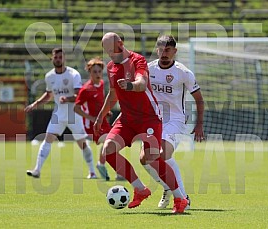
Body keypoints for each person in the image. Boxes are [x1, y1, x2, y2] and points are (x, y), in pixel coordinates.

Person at [94, 32, 188, 214]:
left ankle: (179, 198)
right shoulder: (111, 67)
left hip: (149, 118)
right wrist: (100, 116)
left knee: (153, 158)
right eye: (106, 51)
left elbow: (142, 83)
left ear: (120, 44)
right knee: (108, 150)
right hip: (127, 119)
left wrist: (129, 85)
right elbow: (113, 94)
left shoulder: (138, 60)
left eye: (111, 49)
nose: (110, 54)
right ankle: (140, 189)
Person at [140, 35, 205, 209]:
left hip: (175, 119)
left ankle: (183, 197)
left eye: (168, 50)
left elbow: (199, 99)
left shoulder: (183, 72)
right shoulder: (148, 69)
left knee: (163, 154)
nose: (164, 53)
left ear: (174, 51)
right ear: (156, 50)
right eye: (161, 49)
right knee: (144, 159)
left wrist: (199, 124)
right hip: (153, 119)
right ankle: (168, 187)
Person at [25, 48, 97, 179]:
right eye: (55, 57)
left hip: (73, 114)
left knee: (82, 143)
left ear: (64, 58)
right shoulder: (49, 76)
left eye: (60, 57)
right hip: (58, 114)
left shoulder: (73, 74)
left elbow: (79, 95)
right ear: (52, 59)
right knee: (48, 139)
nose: (58, 59)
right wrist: (35, 103)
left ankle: (92, 171)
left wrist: (68, 99)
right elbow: (49, 95)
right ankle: (37, 170)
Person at [74, 57, 125, 181]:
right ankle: (118, 172)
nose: (97, 74)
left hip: (103, 121)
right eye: (94, 72)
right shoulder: (85, 89)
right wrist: (91, 118)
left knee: (112, 143)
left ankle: (101, 164)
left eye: (99, 71)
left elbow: (100, 102)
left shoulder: (101, 84)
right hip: (93, 125)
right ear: (90, 73)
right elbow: (76, 108)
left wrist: (105, 113)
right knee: (110, 142)